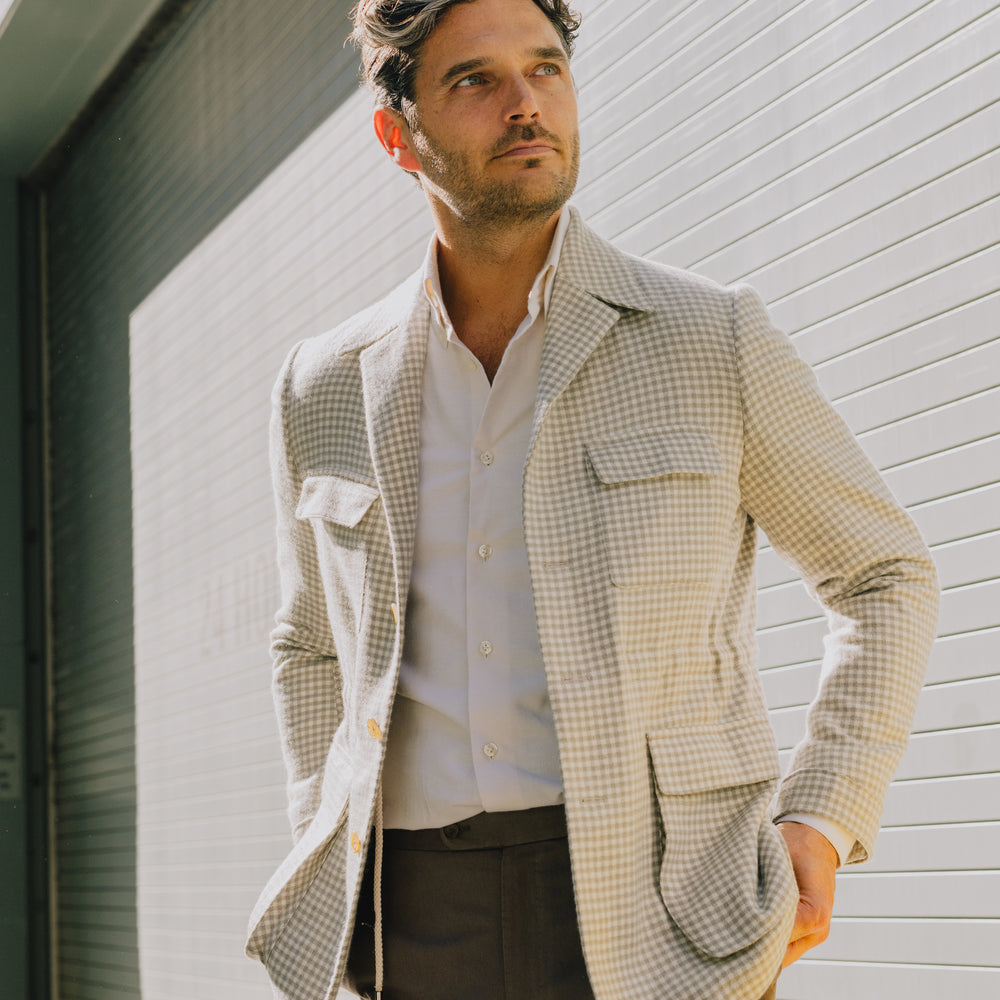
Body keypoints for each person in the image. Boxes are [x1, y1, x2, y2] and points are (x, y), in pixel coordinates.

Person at [246, 1, 939, 997]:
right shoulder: (322, 384)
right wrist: (324, 819)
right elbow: (309, 641)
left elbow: (882, 574)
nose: (526, 105)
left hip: (668, 904)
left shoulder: (711, 337)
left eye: (545, 69)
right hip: (413, 919)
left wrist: (823, 815)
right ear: (397, 134)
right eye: (475, 81)